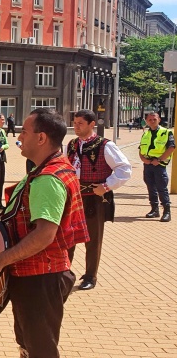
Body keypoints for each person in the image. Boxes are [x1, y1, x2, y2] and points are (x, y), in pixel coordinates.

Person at [0, 108, 89, 358]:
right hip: (38, 275)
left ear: (41, 138)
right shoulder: (47, 169)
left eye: (24, 132)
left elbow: (44, 235)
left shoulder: (48, 179)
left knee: (40, 349)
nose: (18, 137)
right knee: (29, 343)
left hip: (40, 278)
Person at [66, 109, 131, 291]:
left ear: (91, 124)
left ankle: (90, 276)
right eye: (75, 122)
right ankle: (64, 273)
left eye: (80, 123)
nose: (76, 126)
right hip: (74, 197)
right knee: (69, 236)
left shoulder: (105, 146)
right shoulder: (71, 145)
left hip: (95, 199)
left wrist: (107, 186)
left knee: (92, 240)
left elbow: (124, 169)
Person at [139, 112, 175, 222]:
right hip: (148, 164)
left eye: (154, 119)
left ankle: (167, 212)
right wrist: (143, 159)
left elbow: (171, 147)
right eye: (150, 119)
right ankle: (154, 210)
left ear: (159, 119)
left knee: (161, 188)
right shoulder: (146, 134)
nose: (152, 121)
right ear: (146, 121)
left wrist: (159, 160)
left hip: (159, 165)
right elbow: (141, 149)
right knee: (151, 188)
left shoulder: (166, 132)